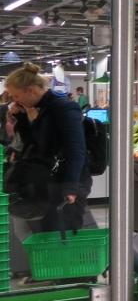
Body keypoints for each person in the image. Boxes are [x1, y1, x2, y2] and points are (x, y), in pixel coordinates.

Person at [4, 63, 94, 273]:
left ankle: (74, 278)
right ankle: (58, 275)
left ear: (30, 91)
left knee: (66, 231)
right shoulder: (39, 109)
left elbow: (76, 149)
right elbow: (35, 144)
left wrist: (71, 186)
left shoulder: (63, 107)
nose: (14, 100)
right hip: (50, 180)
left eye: (16, 95)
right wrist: (21, 117)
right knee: (50, 230)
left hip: (68, 181)